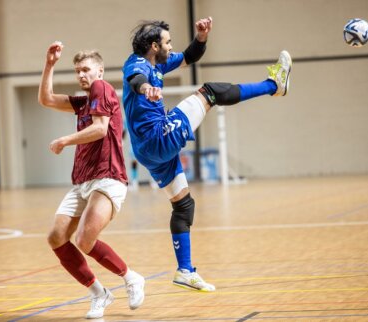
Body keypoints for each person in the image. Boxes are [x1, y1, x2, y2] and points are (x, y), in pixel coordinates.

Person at [122, 18, 292, 292]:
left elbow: (191, 56)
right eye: (167, 42)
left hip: (149, 152)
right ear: (154, 46)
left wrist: (201, 37)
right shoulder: (138, 63)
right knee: (210, 92)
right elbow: (135, 80)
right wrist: (146, 88)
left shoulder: (158, 62)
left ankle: (185, 271)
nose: (171, 45)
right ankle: (274, 85)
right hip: (157, 136)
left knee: (183, 206)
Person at [39, 41, 145, 319]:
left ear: (99, 71)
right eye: (77, 71)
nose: (81, 75)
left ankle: (131, 277)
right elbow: (47, 99)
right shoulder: (84, 101)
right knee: (56, 237)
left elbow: (100, 129)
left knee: (85, 239)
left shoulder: (102, 89)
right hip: (82, 181)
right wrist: (49, 64)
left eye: (86, 69)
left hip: (108, 178)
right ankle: (99, 293)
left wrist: (65, 140)